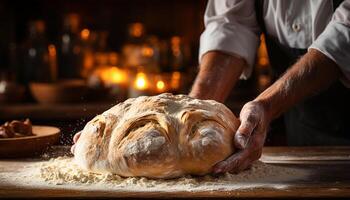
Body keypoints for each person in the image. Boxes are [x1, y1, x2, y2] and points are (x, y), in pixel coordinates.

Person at [189, 0, 350, 174]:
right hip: (303, 133)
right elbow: (231, 24)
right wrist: (194, 109)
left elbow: (343, 38)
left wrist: (267, 105)